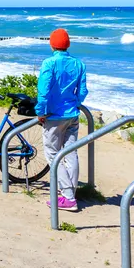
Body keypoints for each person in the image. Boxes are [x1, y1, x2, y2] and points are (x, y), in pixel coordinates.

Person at [36, 28, 88, 212]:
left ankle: (67, 197)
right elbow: (82, 92)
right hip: (72, 114)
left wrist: (40, 111)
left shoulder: (49, 63)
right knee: (70, 153)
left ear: (52, 44)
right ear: (68, 44)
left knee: (52, 154)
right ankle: (71, 192)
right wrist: (76, 103)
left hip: (53, 116)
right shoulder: (79, 64)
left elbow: (43, 91)